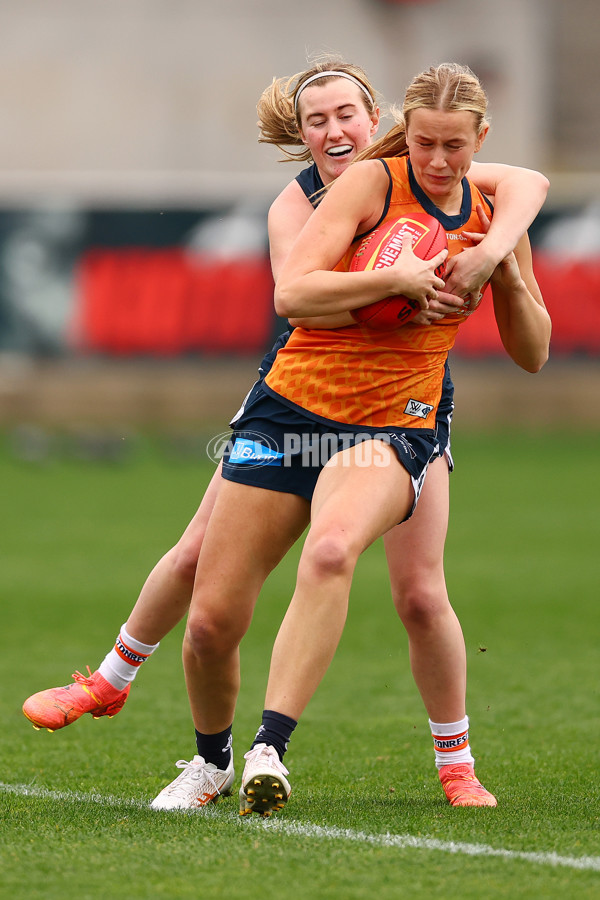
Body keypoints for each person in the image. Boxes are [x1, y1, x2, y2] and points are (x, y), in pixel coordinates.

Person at [22, 60, 549, 811]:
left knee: (417, 591)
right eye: (316, 120)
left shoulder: (455, 181)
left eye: (347, 115)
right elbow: (302, 302)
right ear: (300, 135)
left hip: (406, 407)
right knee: (205, 580)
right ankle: (129, 691)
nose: (335, 131)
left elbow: (528, 186)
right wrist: (396, 283)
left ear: (379, 120)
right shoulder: (312, 201)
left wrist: (500, 258)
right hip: (298, 395)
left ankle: (445, 762)